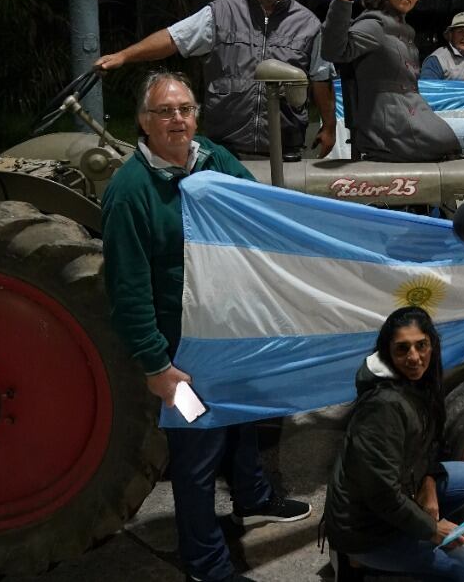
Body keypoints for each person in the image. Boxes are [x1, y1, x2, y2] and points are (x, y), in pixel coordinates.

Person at [102, 71, 310, 582]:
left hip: (227, 330)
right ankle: (205, 563)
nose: (177, 119)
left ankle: (252, 500)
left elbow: (255, 206)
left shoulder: (211, 157)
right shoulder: (130, 192)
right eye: (164, 112)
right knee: (196, 456)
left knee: (242, 419)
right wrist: (156, 363)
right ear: (143, 122)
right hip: (183, 349)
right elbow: (127, 290)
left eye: (185, 110)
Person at [94, 0, 337, 159]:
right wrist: (123, 56)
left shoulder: (309, 24)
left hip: (285, 152)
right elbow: (173, 38)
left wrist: (329, 127)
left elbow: (320, 78)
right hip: (224, 152)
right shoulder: (222, 12)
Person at [322, 307, 464, 582]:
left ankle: (397, 551)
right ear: (387, 352)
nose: (414, 357)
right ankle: (357, 563)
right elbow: (381, 494)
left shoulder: (419, 382)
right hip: (363, 528)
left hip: (397, 493)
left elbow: (428, 445)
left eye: (421, 345)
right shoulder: (382, 407)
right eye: (402, 349)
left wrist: (429, 484)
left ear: (432, 344)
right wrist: (431, 529)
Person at [322, 0, 464, 160]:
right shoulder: (375, 24)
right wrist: (343, 0)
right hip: (391, 130)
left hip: (408, 119)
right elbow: (333, 51)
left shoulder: (402, 30)